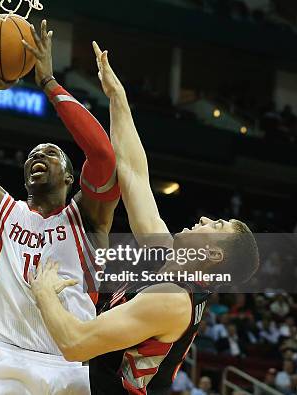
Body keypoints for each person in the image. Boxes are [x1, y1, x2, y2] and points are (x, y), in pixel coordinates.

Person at [29, 42, 259, 395]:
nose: (203, 218)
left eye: (215, 226)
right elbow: (134, 173)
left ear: (214, 256)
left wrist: (42, 292)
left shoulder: (170, 300)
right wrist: (117, 97)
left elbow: (75, 344)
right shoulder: (169, 257)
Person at [0, 20, 119, 394]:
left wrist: (50, 84)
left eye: (51, 154)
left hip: (71, 368)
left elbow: (102, 153)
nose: (40, 156)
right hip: (3, 363)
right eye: (33, 155)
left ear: (71, 178)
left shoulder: (88, 218)